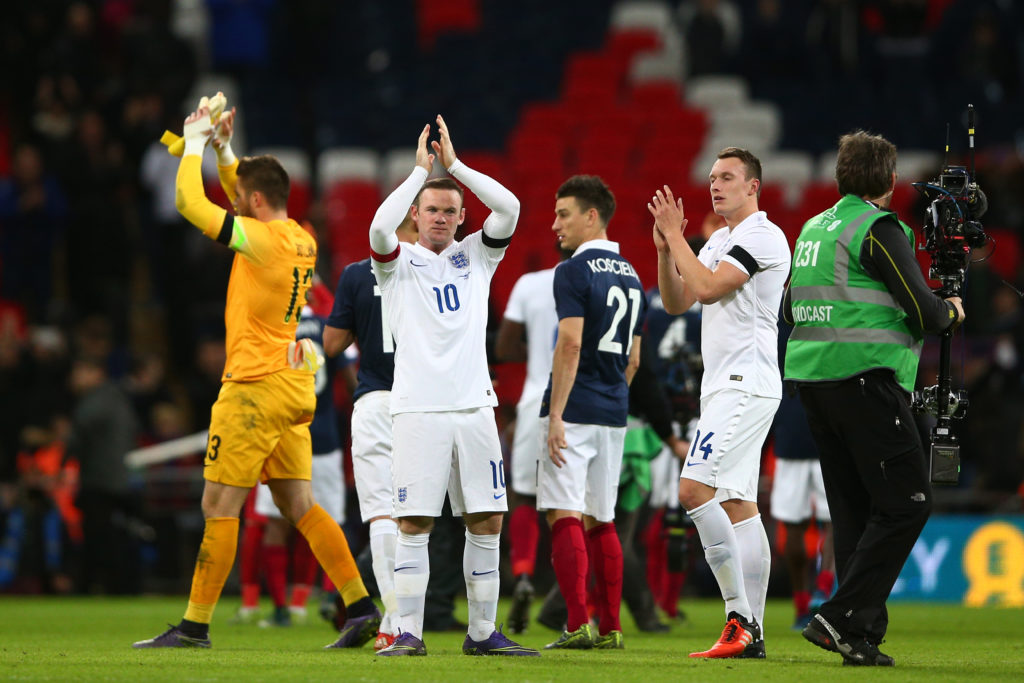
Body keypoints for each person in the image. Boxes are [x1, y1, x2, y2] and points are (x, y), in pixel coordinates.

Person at [133, 97, 380, 649]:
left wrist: (194, 139)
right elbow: (243, 191)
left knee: (218, 506)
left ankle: (194, 626)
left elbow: (187, 202)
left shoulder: (260, 241)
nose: (235, 202)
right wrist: (224, 148)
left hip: (252, 388)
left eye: (241, 199)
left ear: (255, 202)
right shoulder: (300, 237)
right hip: (292, 389)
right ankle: (360, 605)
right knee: (299, 505)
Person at [784, 130, 965, 666]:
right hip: (864, 381)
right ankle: (837, 616)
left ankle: (859, 634)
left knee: (854, 513)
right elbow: (925, 313)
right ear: (890, 180)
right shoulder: (878, 227)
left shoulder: (813, 228)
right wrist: (952, 306)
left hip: (814, 384)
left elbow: (791, 312)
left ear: (841, 176)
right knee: (910, 502)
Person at [368, 116, 537, 657]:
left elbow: (509, 208)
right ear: (415, 215)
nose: (439, 218)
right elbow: (376, 230)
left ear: (463, 218)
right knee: (414, 520)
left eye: (449, 211)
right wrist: (420, 175)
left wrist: (457, 167)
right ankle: (409, 633)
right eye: (430, 210)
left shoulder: (478, 258)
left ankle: (483, 634)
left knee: (486, 518)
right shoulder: (397, 264)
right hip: (418, 409)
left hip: (475, 408)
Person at [650, 147, 790, 659]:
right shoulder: (717, 239)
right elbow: (677, 301)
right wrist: (667, 248)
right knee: (736, 504)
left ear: (753, 185)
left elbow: (707, 288)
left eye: (728, 177)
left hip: (745, 381)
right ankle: (753, 633)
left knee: (692, 489)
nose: (716, 185)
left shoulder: (762, 235)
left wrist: (676, 240)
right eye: (712, 177)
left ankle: (739, 617)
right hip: (724, 384)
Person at [537, 175, 646, 651]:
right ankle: (611, 626)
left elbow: (571, 342)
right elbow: (635, 359)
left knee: (564, 512)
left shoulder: (573, 271)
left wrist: (557, 414)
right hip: (613, 411)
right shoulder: (633, 274)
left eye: (564, 214)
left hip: (576, 406)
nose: (555, 224)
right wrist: (610, 397)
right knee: (602, 518)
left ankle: (577, 622)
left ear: (591, 216)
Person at [323, 214, 419, 650]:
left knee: (382, 514)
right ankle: (417, 622)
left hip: (376, 400)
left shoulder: (356, 273)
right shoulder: (434, 270)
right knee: (419, 521)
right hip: (425, 405)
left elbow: (330, 344)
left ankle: (393, 622)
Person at [251, 299, 346, 628]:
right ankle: (328, 598)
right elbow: (349, 374)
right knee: (329, 520)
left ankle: (280, 609)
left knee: (276, 524)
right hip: (325, 438)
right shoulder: (326, 326)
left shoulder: (273, 329)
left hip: (283, 435)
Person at [493, 248, 564, 634]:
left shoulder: (531, 284)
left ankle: (521, 574)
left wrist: (537, 352)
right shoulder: (599, 281)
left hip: (535, 400)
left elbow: (503, 348)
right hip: (582, 405)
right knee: (574, 507)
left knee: (523, 494)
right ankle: (573, 597)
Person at [771, 318, 835, 631]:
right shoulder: (831, 311)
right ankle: (823, 589)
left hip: (790, 426)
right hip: (827, 424)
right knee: (833, 520)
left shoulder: (776, 319)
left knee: (792, 524)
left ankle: (801, 604)